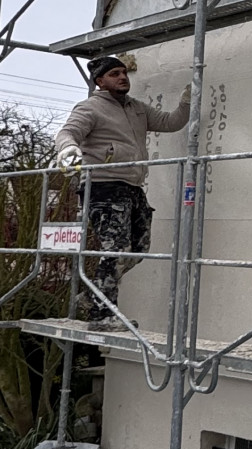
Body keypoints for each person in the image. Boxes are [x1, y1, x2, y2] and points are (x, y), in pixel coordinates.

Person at [53, 56, 190, 317]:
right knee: (115, 249)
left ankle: (93, 295)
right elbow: (67, 132)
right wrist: (68, 148)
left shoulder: (136, 108)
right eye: (114, 73)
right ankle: (102, 315)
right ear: (100, 81)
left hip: (132, 186)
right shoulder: (90, 108)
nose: (122, 77)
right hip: (103, 186)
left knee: (137, 250)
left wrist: (187, 101)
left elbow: (169, 122)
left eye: (124, 72)